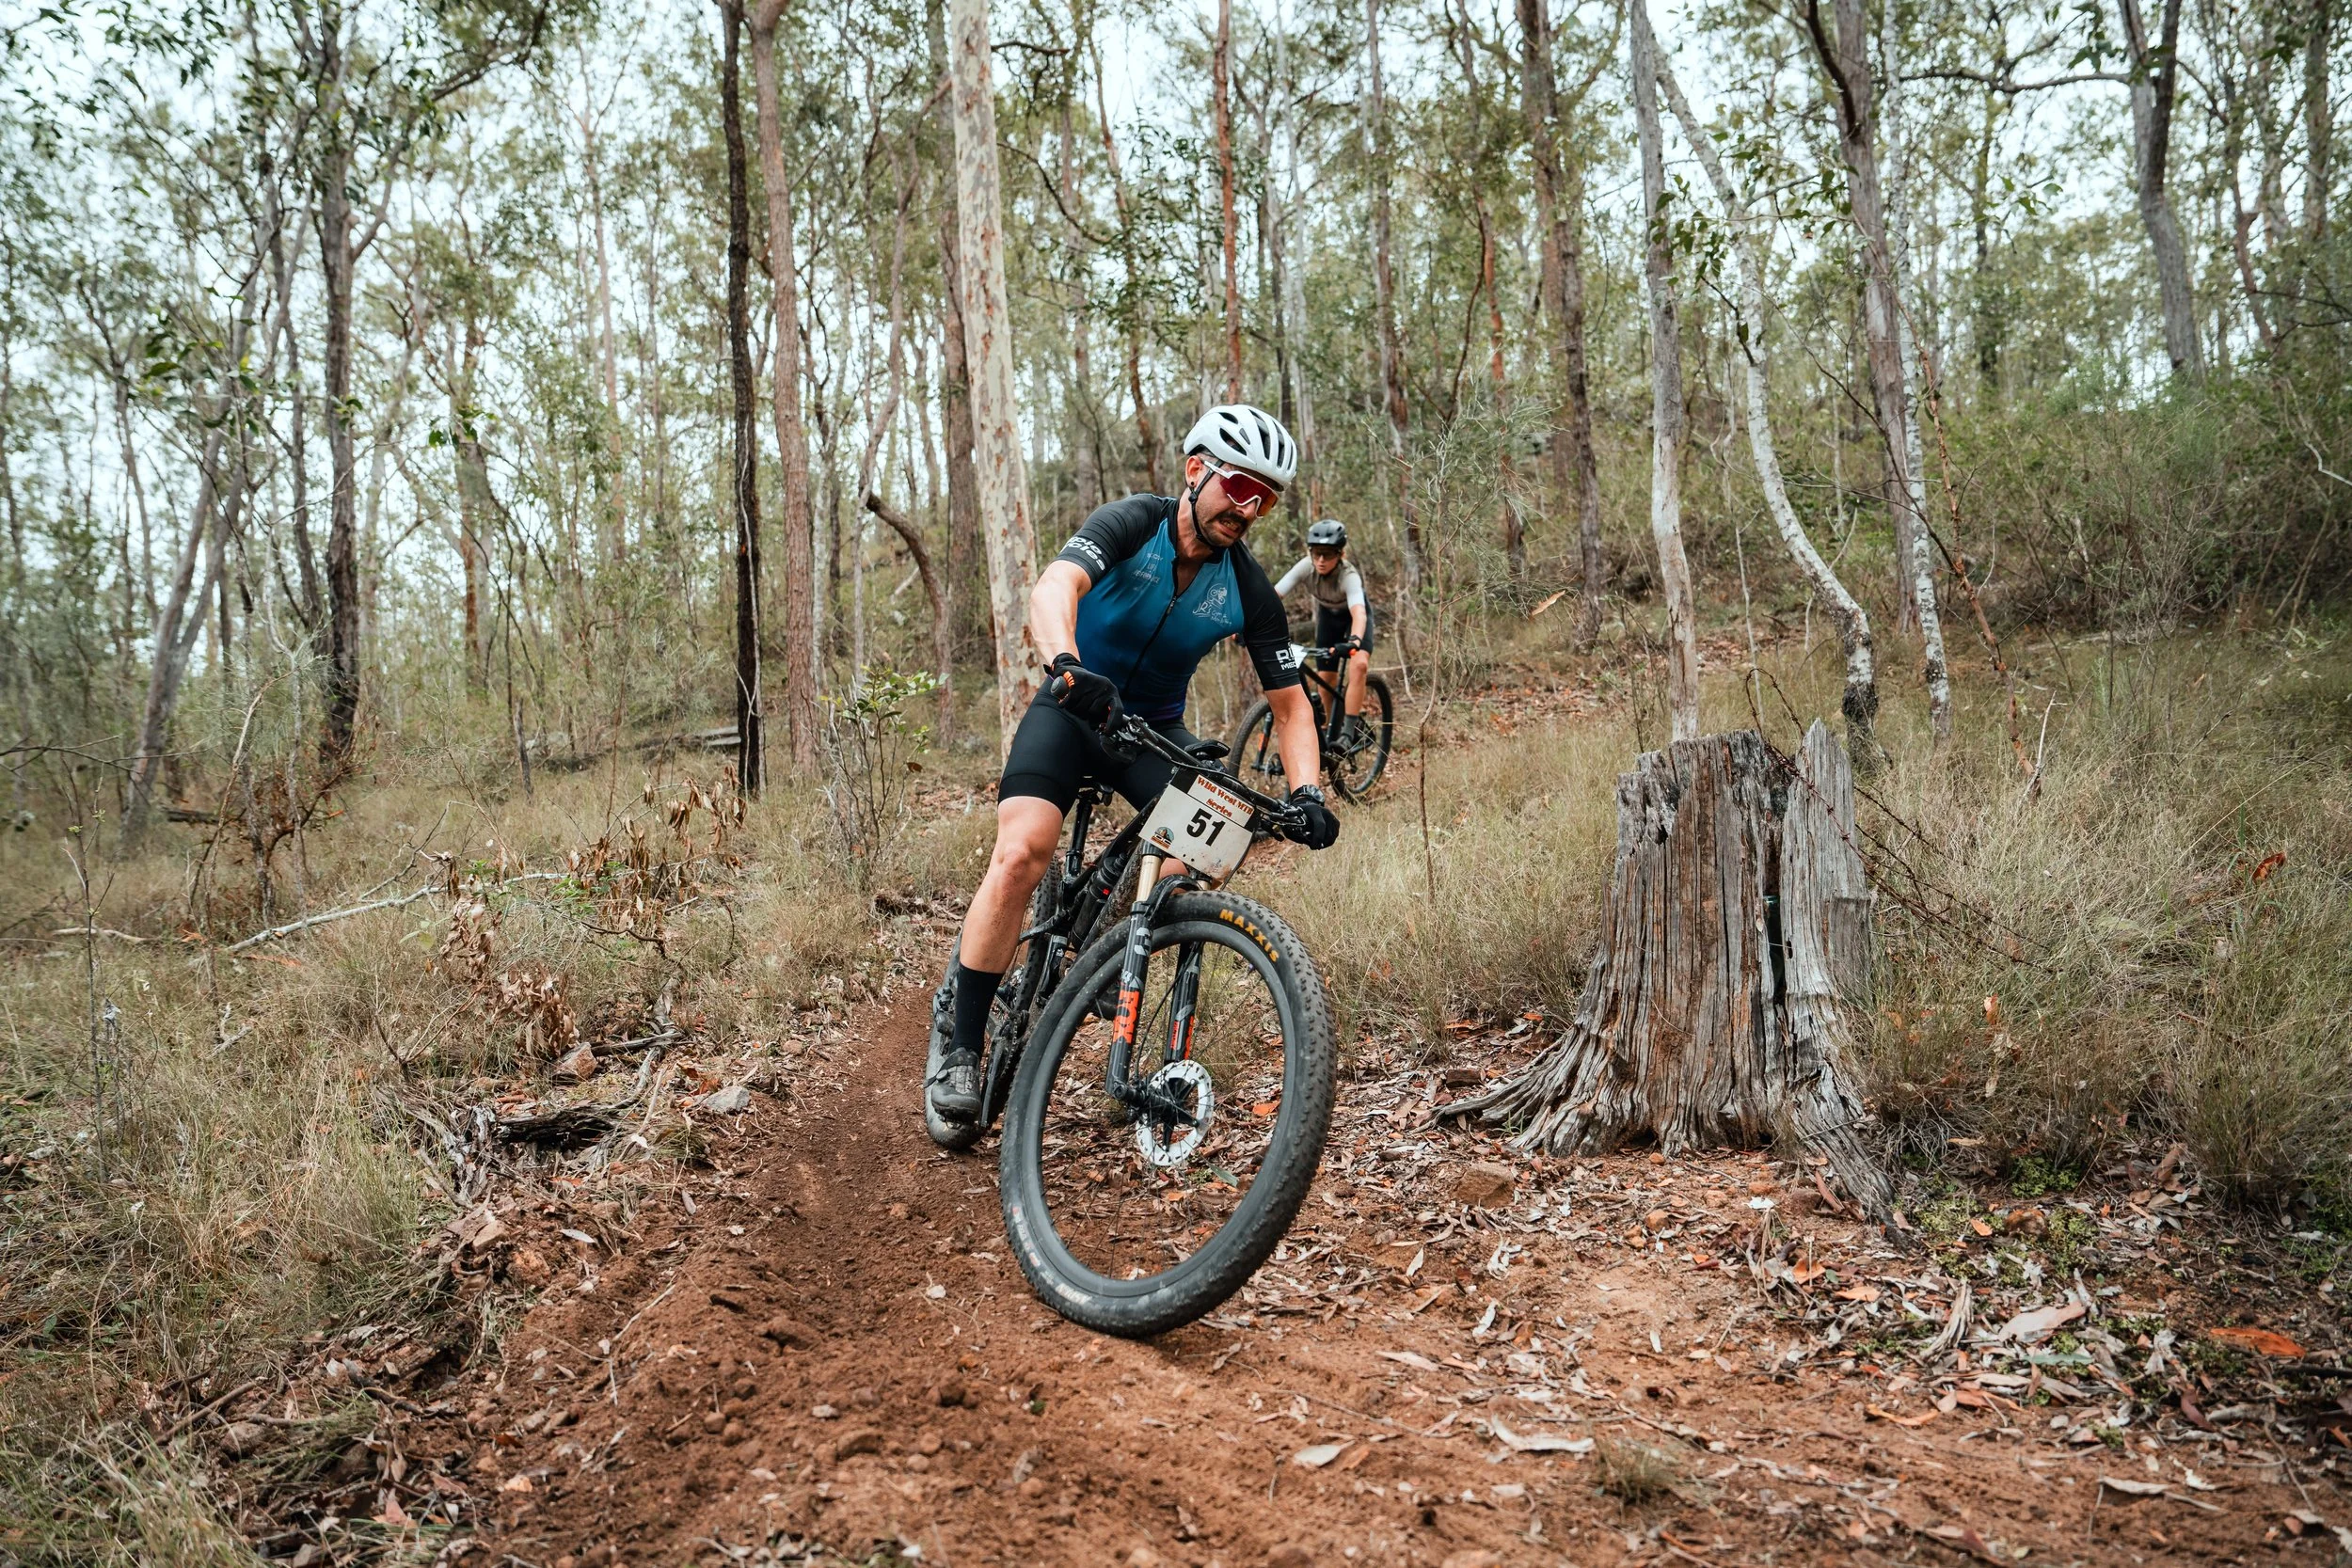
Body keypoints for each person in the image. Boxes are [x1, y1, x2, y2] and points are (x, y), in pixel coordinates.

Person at [926, 404, 1342, 1125]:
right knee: (1023, 851)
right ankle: (962, 1042)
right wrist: (1067, 666)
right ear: (1195, 471)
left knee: (1208, 847)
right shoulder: (1132, 522)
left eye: (1265, 498)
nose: (1247, 507)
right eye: (1238, 485)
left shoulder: (1246, 586)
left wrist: (1307, 790)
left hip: (1153, 730)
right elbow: (1054, 588)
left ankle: (1119, 948)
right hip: (1074, 706)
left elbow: (1292, 707)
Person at [1274, 519, 1374, 748]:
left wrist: (1355, 641)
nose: (1320, 560)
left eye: (1327, 555)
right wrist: (1246, 623)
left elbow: (1359, 613)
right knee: (1325, 680)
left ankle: (1348, 733)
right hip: (1329, 618)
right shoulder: (1305, 566)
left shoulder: (1349, 576)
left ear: (1340, 554)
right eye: (1317, 553)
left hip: (1353, 619)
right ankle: (1330, 731)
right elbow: (1274, 595)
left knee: (1359, 665)